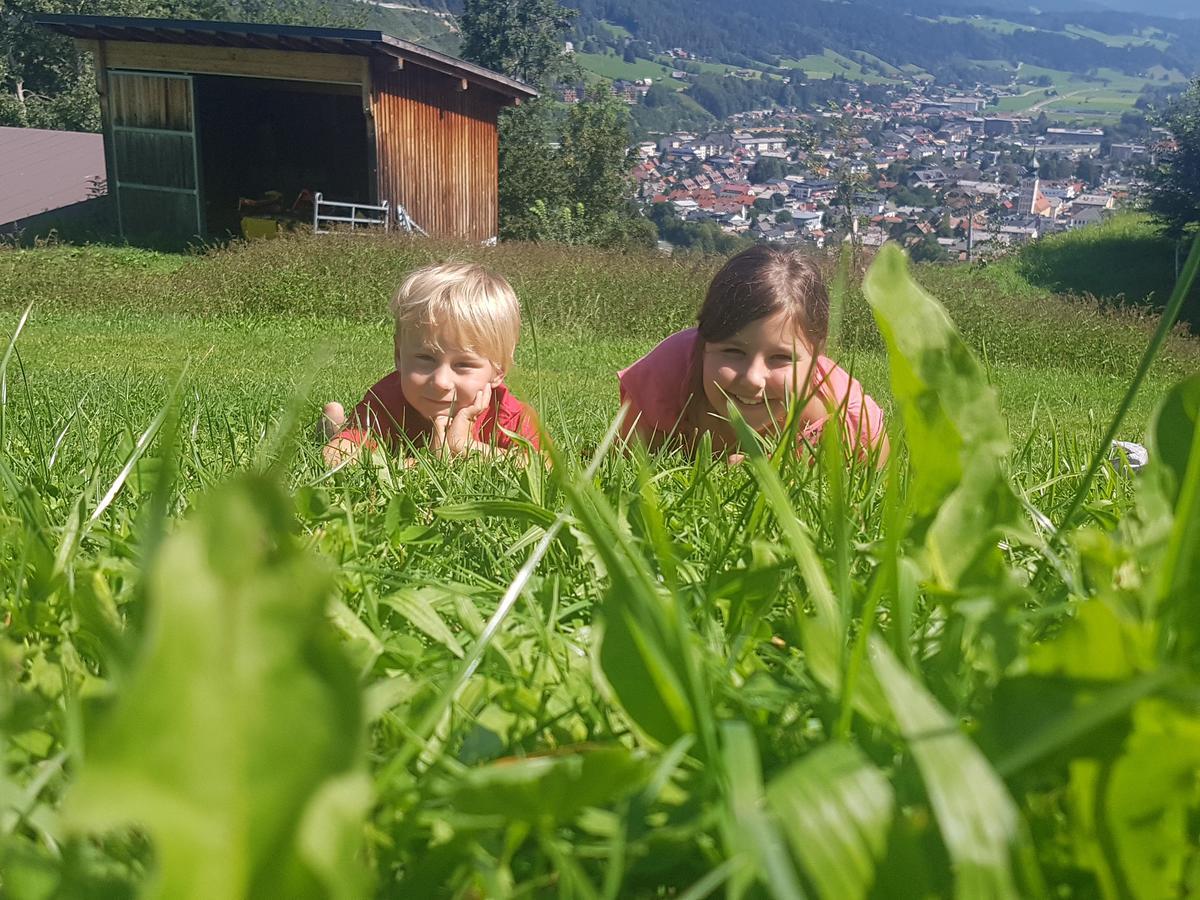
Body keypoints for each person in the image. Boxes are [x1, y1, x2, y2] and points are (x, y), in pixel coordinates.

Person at [617, 245, 887, 464]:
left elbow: (882, 499)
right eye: (733, 351)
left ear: (817, 355)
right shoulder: (666, 377)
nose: (752, 378)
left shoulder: (850, 426)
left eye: (781, 358)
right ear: (702, 343)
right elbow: (624, 465)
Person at [323, 262, 539, 467]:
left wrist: (466, 447)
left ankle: (335, 425)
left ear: (498, 370)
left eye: (463, 364)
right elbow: (333, 457)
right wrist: (429, 463)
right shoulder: (386, 402)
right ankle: (335, 426)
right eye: (426, 358)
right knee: (348, 434)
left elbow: (544, 466)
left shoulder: (506, 414)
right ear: (399, 355)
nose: (440, 382)